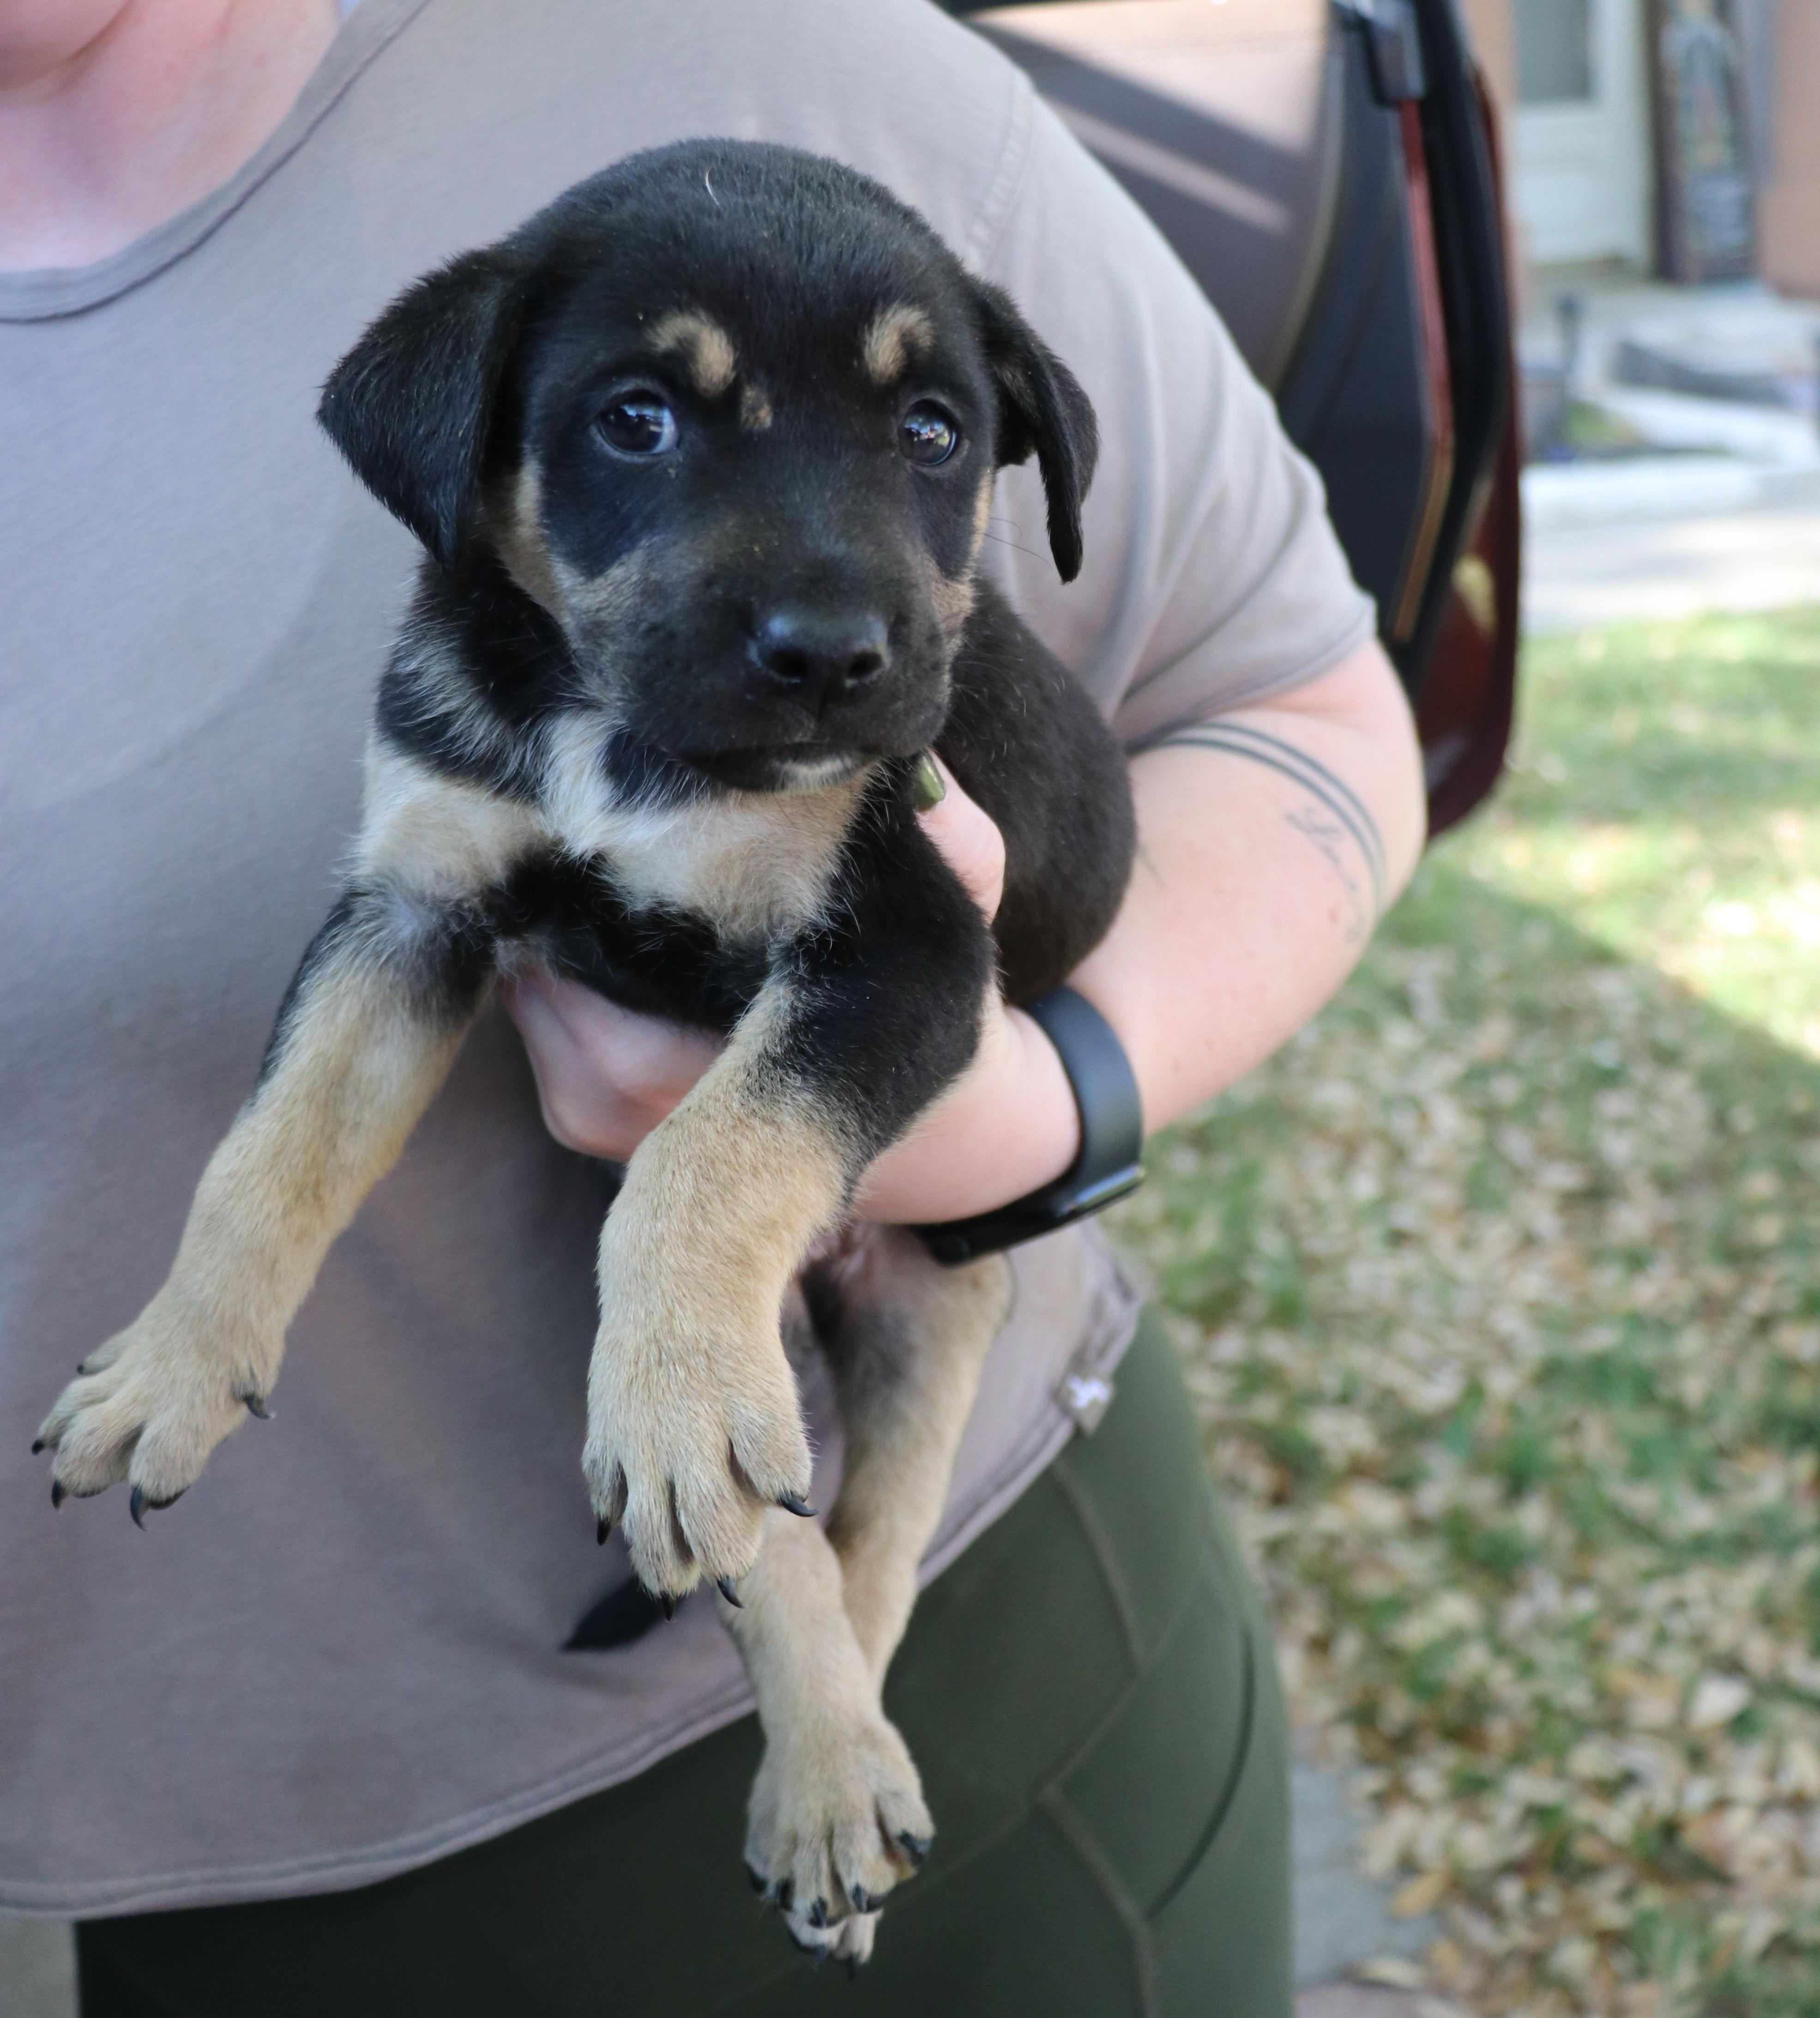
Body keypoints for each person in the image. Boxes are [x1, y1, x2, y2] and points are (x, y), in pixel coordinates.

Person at [0, 0, 1426, 2011]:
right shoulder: (473, 671)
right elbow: (392, 952)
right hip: (190, 1854)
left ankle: (834, 1711)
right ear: (460, 460)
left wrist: (1031, 1113)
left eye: (920, 435)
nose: (822, 603)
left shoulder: (784, 51)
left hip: (1012, 1712)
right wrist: (216, 1297)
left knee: (856, 1320)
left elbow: (1302, 711)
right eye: (645, 427)